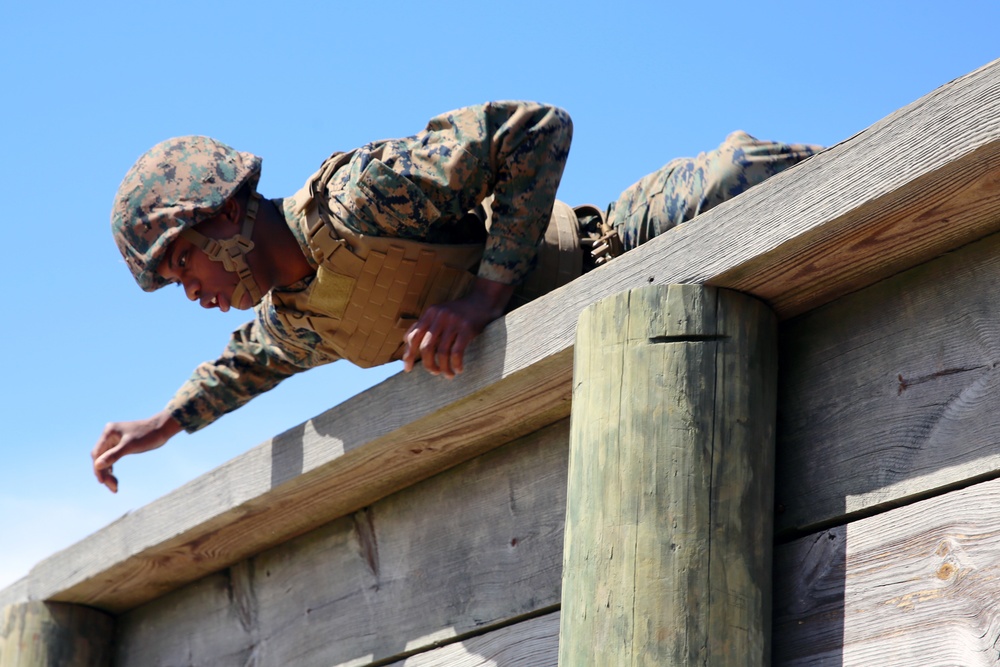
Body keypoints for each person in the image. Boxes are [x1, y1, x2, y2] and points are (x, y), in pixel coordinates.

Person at [92, 100, 820, 492]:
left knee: (739, 175)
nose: (191, 289)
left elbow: (535, 129)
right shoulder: (295, 323)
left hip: (621, 252)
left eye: (184, 262)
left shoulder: (361, 201)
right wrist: (164, 422)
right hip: (585, 377)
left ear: (224, 211)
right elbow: (241, 366)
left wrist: (485, 294)